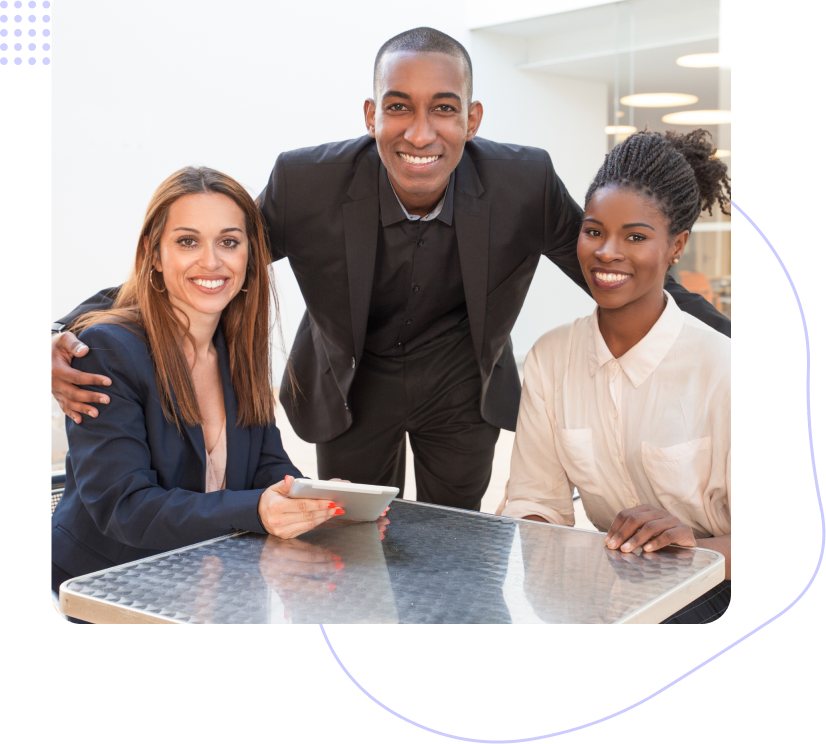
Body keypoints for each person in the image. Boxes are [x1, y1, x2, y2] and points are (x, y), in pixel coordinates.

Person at [50, 27, 730, 513]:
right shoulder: (309, 180)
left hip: (462, 387)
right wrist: (67, 328)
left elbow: (615, 272)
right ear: (372, 113)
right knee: (349, 539)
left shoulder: (523, 179)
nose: (420, 132)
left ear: (473, 117)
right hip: (350, 385)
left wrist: (726, 341)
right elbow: (211, 260)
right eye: (399, 106)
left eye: (444, 108)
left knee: (459, 541)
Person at [51, 167, 358, 619]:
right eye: (188, 241)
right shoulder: (107, 353)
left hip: (215, 592)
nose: (212, 261)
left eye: (229, 242)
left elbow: (265, 464)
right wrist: (257, 508)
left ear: (251, 256)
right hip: (108, 596)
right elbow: (124, 507)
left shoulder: (236, 349)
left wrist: (309, 499)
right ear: (154, 255)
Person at [497, 129, 731, 623]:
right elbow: (534, 500)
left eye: (636, 237)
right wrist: (539, 542)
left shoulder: (720, 367)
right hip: (607, 581)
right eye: (594, 230)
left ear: (676, 247)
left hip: (715, 582)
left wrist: (699, 547)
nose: (607, 252)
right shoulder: (551, 357)